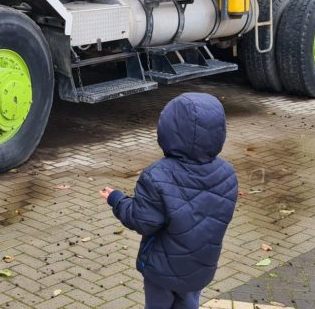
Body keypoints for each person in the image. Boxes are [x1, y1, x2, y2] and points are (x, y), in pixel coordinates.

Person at [101, 92, 239, 309]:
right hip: (199, 266)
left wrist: (116, 199)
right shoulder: (227, 173)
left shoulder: (157, 175)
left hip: (162, 270)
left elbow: (142, 220)